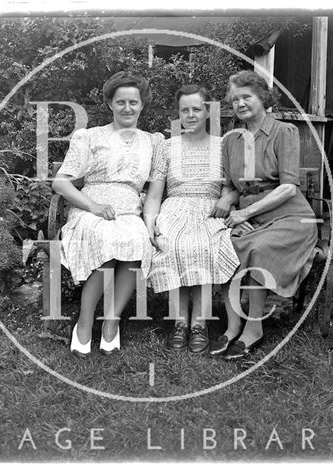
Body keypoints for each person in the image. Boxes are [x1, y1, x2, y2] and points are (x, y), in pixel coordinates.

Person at [51, 71, 164, 358]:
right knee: (106, 238)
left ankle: (111, 320)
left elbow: (153, 192)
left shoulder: (152, 142)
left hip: (129, 211)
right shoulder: (90, 137)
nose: (127, 108)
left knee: (137, 240)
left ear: (142, 105)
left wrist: (149, 224)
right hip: (91, 210)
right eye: (121, 102)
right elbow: (61, 182)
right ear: (110, 104)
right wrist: (94, 206)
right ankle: (85, 321)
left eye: (133, 102)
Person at [209, 70, 318, 360]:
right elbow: (230, 187)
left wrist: (245, 213)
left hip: (290, 218)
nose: (240, 104)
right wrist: (230, 202)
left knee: (258, 248)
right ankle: (232, 327)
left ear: (262, 98)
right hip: (250, 216)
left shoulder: (284, 132)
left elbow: (288, 188)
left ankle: (253, 329)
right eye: (235, 100)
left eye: (247, 96)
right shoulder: (230, 141)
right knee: (224, 244)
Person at [144, 84, 240, 353]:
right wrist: (150, 220)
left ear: (207, 111)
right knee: (174, 244)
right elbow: (154, 194)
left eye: (197, 109)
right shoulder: (167, 146)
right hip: (174, 208)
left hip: (209, 209)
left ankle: (199, 323)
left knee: (204, 244)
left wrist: (227, 197)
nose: (191, 115)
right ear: (178, 114)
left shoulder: (222, 146)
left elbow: (231, 186)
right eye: (184, 110)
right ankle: (179, 323)